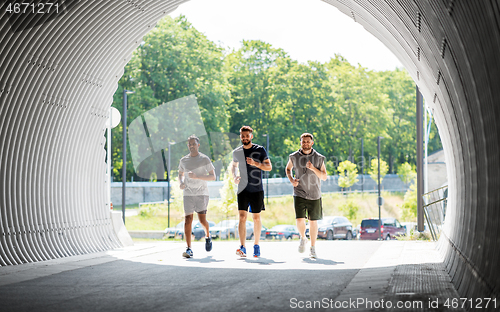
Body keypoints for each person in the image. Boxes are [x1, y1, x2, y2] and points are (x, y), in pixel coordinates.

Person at [232, 126, 272, 257]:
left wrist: (256, 164)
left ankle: (256, 245)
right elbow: (233, 166)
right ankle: (242, 246)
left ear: (251, 136)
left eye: (247, 136)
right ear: (240, 137)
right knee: (242, 218)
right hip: (242, 189)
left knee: (256, 218)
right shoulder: (237, 152)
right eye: (242, 136)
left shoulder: (259, 150)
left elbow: (269, 167)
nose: (244, 138)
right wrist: (235, 176)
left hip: (256, 189)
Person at [285, 133, 327, 258]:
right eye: (303, 141)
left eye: (308, 141)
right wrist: (291, 180)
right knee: (299, 219)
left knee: (313, 222)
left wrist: (313, 168)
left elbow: (324, 176)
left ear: (312, 143)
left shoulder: (319, 158)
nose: (306, 144)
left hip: (315, 194)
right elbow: (288, 169)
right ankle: (303, 237)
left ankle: (313, 248)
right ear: (300, 142)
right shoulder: (293, 156)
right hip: (299, 192)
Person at [178, 135, 216, 258]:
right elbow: (180, 174)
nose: (191, 146)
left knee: (202, 220)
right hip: (188, 193)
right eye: (189, 144)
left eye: (193, 144)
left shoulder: (205, 159)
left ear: (198, 145)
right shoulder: (183, 160)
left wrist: (197, 177)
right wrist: (181, 182)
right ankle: (189, 248)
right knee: (188, 219)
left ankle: (208, 236)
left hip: (202, 193)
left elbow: (213, 177)